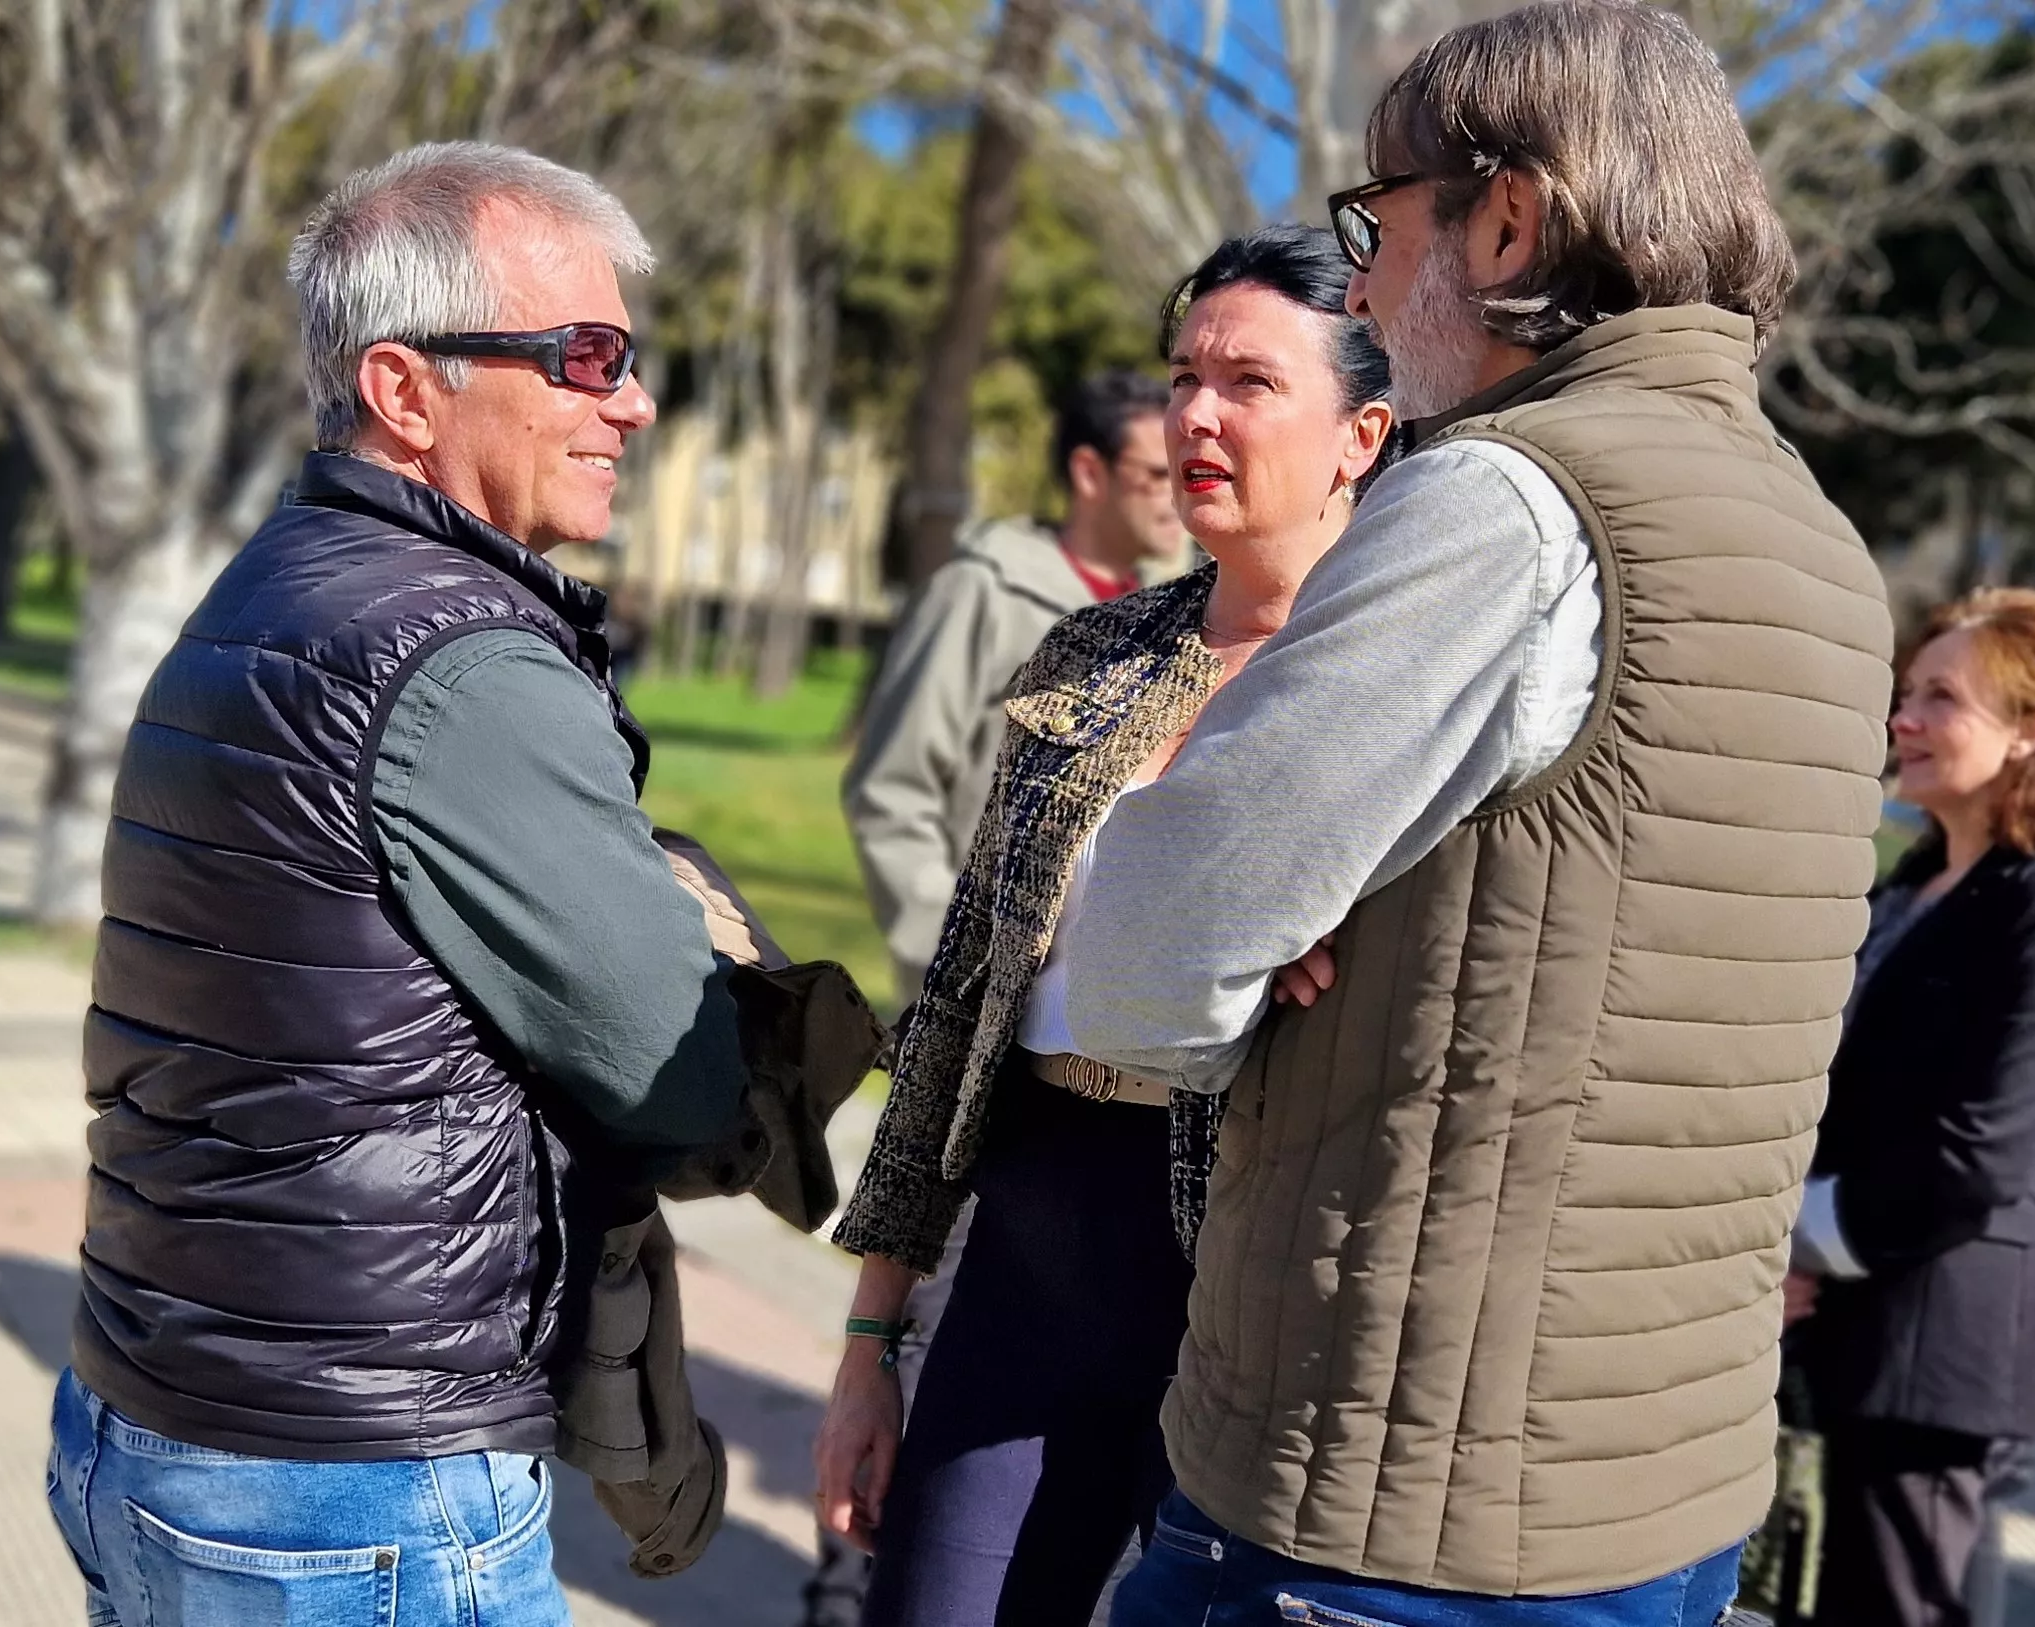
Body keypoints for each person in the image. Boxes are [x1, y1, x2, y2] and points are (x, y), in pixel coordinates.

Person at [1056, 5, 1898, 1622]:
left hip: (1389, 1502)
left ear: (1507, 219)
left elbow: (1148, 958)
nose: (1362, 289)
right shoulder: (1815, 540)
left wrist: (1251, 932)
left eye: (1375, 226)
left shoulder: (1503, 497)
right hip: (1659, 1488)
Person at [43, 142, 746, 1627]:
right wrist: (701, 932)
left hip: (151, 1414)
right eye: (584, 355)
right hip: (351, 1482)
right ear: (405, 390)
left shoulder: (275, 584)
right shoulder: (460, 652)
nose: (631, 401)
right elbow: (678, 1075)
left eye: (628, 359)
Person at [812, 226, 1397, 1627]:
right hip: (1028, 1247)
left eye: (1249, 382)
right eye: (1184, 376)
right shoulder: (1098, 650)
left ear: (1360, 436)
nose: (1194, 414)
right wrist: (871, 1336)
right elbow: (959, 999)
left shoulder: (1400, 689)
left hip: (1252, 1287)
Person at [1782, 588, 2035, 1627]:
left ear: (2033, 729)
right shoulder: (1917, 882)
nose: (1903, 718)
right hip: (1857, 1331)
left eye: (1940, 697)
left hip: (1938, 1349)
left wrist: (1800, 1244)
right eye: (1906, 693)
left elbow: (1982, 1153)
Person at [848, 371, 1186, 1008]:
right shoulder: (981, 592)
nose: (1180, 491)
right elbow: (892, 789)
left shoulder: (1179, 618)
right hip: (981, 1000)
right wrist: (955, 961)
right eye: (1155, 474)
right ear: (1089, 473)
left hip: (1113, 1002)